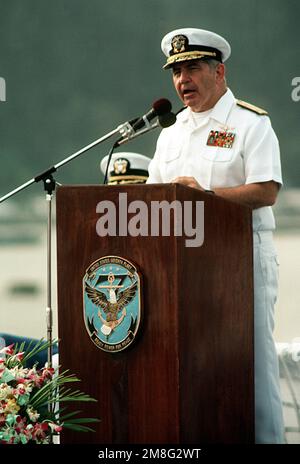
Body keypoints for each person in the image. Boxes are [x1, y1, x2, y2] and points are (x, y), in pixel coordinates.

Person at [147, 27, 284, 444]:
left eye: (191, 69)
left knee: (252, 370)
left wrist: (205, 196)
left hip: (241, 263)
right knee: (191, 370)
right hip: (180, 269)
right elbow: (149, 198)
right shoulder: (169, 132)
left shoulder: (250, 123)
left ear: (219, 70)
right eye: (176, 71)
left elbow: (266, 190)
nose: (181, 81)